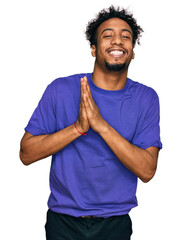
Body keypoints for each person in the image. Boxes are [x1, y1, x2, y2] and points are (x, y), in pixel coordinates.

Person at [20, 6, 162, 240]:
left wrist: (100, 124)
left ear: (132, 51)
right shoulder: (60, 89)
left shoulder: (146, 98)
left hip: (115, 223)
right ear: (94, 49)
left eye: (126, 36)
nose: (118, 41)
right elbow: (26, 154)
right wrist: (78, 128)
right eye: (108, 35)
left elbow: (147, 170)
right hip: (62, 221)